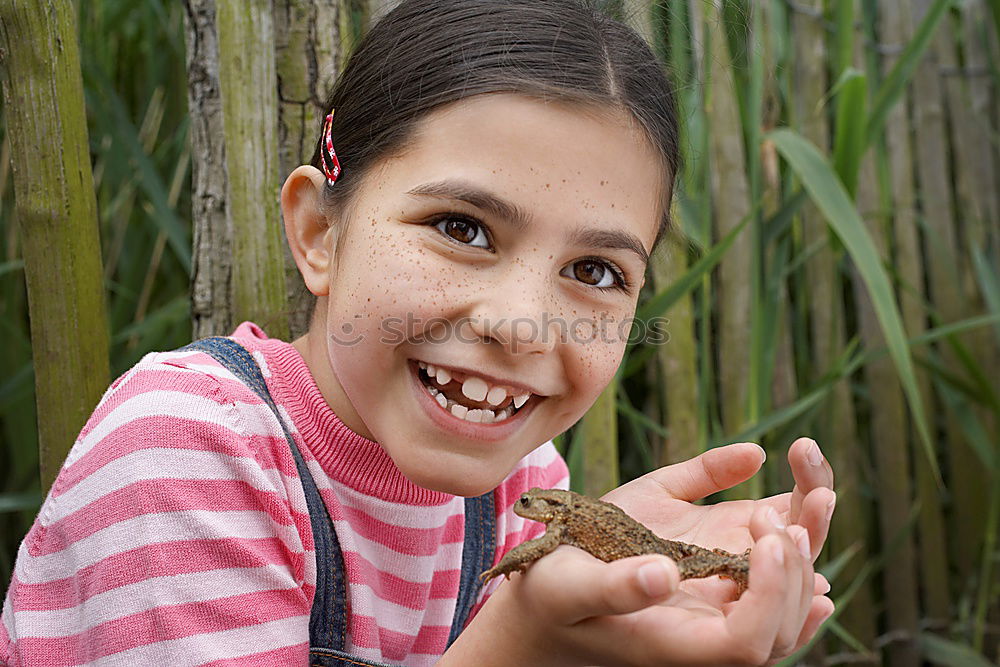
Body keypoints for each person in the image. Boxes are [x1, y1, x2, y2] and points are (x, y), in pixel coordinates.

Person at [1, 0, 836, 664]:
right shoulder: (180, 451)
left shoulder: (519, 477)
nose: (518, 324)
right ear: (321, 233)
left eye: (594, 271)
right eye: (462, 227)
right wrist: (523, 644)